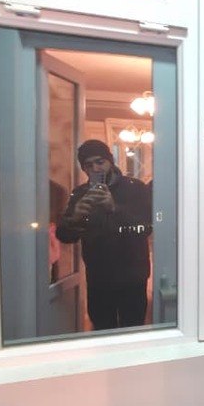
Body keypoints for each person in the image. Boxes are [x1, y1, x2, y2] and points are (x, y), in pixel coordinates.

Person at [56, 139, 152, 331]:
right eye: (88, 165)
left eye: (100, 162)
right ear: (83, 168)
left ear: (111, 160)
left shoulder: (135, 188)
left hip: (132, 277)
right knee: (102, 330)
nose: (95, 169)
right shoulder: (80, 193)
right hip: (99, 279)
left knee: (133, 331)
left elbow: (146, 228)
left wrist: (114, 208)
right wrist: (76, 218)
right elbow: (65, 236)